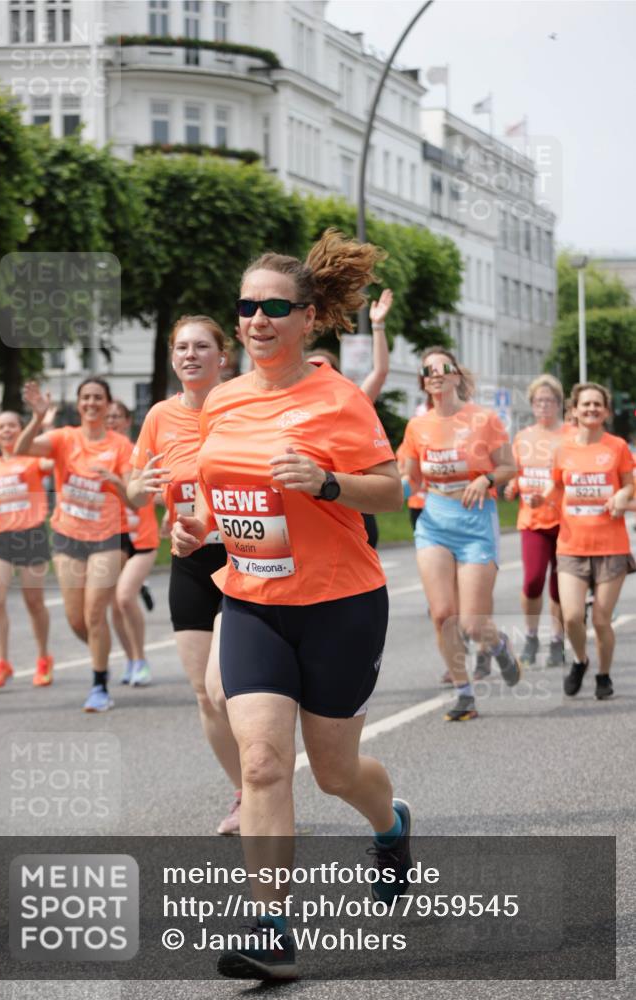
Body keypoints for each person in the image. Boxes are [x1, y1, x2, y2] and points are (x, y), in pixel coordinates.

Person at [171, 230, 407, 982]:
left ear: (308, 318)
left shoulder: (338, 400)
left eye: (275, 306)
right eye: (247, 307)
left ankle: (390, 824)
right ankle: (271, 927)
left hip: (340, 604)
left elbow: (392, 490)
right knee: (265, 764)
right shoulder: (223, 402)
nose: (258, 319)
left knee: (335, 774)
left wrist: (326, 482)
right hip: (250, 602)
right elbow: (222, 496)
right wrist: (199, 528)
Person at [128, 315, 242, 836]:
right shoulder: (158, 416)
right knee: (203, 692)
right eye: (181, 348)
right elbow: (134, 488)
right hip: (190, 560)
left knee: (226, 689)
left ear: (223, 357)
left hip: (246, 557)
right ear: (173, 358)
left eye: (202, 347)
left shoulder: (242, 405)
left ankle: (267, 778)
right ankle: (246, 792)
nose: (190, 355)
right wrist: (141, 485)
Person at [401, 346, 521, 722]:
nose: (435, 374)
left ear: (456, 375)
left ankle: (498, 644)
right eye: (428, 370)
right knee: (442, 615)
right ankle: (463, 692)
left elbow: (508, 467)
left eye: (443, 368)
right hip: (434, 520)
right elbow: (411, 477)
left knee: (473, 622)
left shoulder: (484, 419)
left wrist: (485, 478)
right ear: (424, 382)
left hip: (475, 522)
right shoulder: (416, 426)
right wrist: (377, 492)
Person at [14, 378, 134, 712]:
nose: (92, 403)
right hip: (67, 538)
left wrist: (116, 483)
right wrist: (37, 417)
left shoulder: (120, 446)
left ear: (108, 404)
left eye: (98, 398)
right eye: (86, 398)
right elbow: (22, 449)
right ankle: (102, 651)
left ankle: (99, 686)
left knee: (95, 613)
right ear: (79, 403)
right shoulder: (64, 437)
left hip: (106, 539)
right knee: (76, 620)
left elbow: (135, 500)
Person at [548, 383, 634, 698]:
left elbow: (630, 486)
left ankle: (603, 675)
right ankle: (581, 659)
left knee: (600, 619)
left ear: (606, 411)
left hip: (611, 546)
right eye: (586, 405)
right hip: (571, 545)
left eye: (598, 404)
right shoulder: (562, 449)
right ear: (574, 411)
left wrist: (622, 496)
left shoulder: (618, 447)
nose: (592, 409)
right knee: (571, 616)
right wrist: (540, 499)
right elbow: (556, 488)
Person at [0, 411, 54, 689]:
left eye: (11, 426)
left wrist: (46, 424)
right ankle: (2, 662)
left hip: (29, 536)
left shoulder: (32, 460)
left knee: (34, 602)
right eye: (0, 427)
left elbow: (55, 461)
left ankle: (43, 658)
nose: (6, 431)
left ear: (21, 430)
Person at [307, 287, 393, 549]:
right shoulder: (283, 407)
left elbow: (379, 372)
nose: (317, 374)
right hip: (313, 516)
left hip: (353, 506)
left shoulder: (349, 402)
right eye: (311, 368)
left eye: (324, 368)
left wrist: (377, 326)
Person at [504, 375, 566, 667]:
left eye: (549, 400)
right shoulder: (523, 437)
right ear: (532, 404)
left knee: (558, 587)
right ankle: (531, 635)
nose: (544, 406)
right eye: (539, 401)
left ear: (559, 403)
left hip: (566, 522)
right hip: (532, 520)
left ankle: (557, 639)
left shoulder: (570, 435)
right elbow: (517, 473)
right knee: (532, 581)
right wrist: (511, 487)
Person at [105, 400, 159, 687]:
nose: (111, 421)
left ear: (127, 421)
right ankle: (131, 659)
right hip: (116, 536)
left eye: (117, 417)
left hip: (144, 537)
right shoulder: (102, 453)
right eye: (108, 416)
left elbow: (151, 491)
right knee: (115, 603)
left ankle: (141, 659)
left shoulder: (135, 453)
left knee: (125, 596)